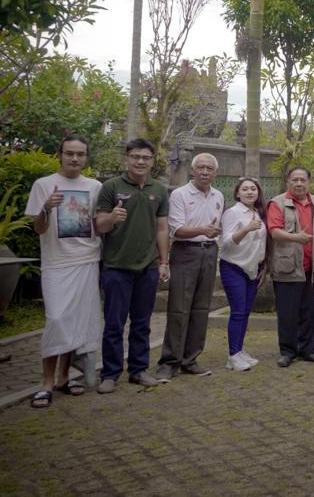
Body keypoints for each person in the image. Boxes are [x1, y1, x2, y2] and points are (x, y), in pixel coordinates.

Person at [25, 135, 103, 408]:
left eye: (80, 154)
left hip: (87, 260)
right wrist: (46, 208)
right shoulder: (43, 185)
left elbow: (98, 224)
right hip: (57, 264)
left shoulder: (94, 187)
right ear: (60, 154)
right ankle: (45, 382)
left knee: (76, 321)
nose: (74, 159)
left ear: (86, 157)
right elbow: (39, 229)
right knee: (56, 320)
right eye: (69, 153)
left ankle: (63, 378)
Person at [94, 138, 170, 394]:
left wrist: (163, 261)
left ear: (152, 161)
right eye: (135, 157)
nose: (140, 161)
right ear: (126, 158)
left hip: (147, 267)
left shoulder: (159, 190)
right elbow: (98, 225)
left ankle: (138, 370)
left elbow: (162, 228)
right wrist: (112, 218)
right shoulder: (111, 187)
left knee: (142, 322)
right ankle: (110, 373)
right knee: (114, 323)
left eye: (145, 158)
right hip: (116, 266)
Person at [155, 153, 224, 381]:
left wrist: (209, 233)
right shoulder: (180, 194)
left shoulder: (218, 196)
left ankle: (190, 359)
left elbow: (215, 228)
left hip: (209, 252)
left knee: (201, 308)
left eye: (209, 168)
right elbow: (177, 230)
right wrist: (203, 230)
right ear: (192, 170)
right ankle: (169, 362)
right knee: (178, 308)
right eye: (201, 168)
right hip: (186, 252)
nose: (205, 172)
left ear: (215, 172)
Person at [267, 166, 314, 368]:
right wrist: (296, 238)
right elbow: (274, 231)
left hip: (311, 267)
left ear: (309, 182)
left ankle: (308, 349)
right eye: (295, 180)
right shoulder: (277, 203)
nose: (299, 184)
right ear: (288, 182)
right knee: (287, 312)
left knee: (310, 311)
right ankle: (287, 351)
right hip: (287, 266)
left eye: (303, 180)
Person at [218, 177, 267, 372]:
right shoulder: (233, 213)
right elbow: (227, 242)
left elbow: (262, 243)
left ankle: (239, 351)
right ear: (237, 193)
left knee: (246, 311)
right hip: (233, 267)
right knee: (237, 311)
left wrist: (263, 266)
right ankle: (232, 355)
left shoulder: (257, 213)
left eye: (253, 189)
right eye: (245, 189)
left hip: (252, 269)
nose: (249, 192)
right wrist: (246, 228)